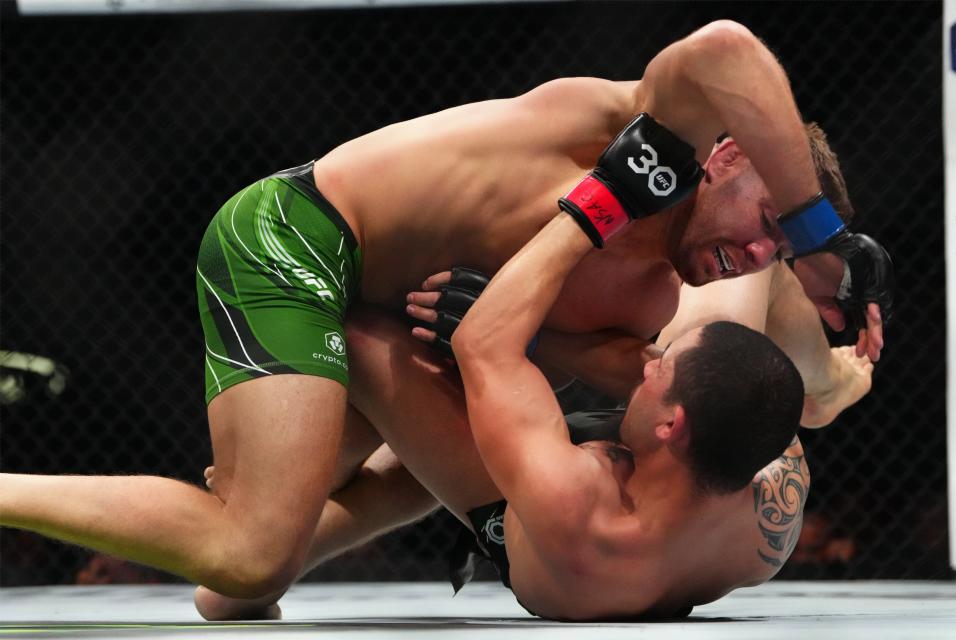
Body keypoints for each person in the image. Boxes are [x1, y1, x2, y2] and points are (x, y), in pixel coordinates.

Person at [0, 20, 888, 601]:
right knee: (249, 549)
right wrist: (818, 232)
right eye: (768, 223)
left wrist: (831, 381)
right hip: (305, 236)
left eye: (780, 248)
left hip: (383, 324)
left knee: (232, 590)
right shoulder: (634, 131)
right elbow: (727, 48)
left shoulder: (655, 297)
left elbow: (660, 387)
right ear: (726, 156)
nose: (764, 252)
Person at [194, 260, 875, 621]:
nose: (643, 366)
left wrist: (591, 211)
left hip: (532, 537)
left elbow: (484, 343)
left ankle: (260, 514)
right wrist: (815, 383)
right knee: (744, 278)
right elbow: (753, 396)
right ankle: (832, 380)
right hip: (677, 473)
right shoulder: (769, 509)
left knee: (370, 340)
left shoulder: (572, 498)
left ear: (670, 424)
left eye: (654, 372)